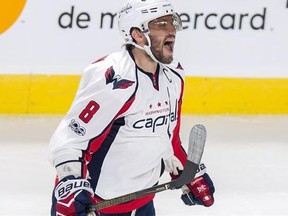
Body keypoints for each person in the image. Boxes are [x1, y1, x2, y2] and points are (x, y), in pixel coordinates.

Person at [48, 0, 215, 215]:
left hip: (143, 202)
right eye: (161, 24)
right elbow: (72, 137)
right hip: (95, 206)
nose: (172, 29)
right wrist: (70, 185)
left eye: (171, 22)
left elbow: (167, 135)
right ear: (138, 35)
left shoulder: (173, 75)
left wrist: (189, 173)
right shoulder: (114, 78)